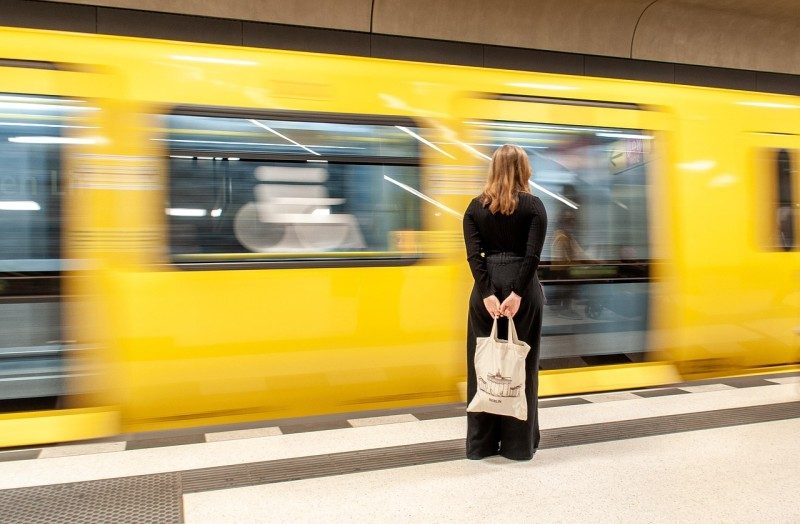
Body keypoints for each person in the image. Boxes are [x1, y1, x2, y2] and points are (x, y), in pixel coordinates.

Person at [462, 144, 547, 460]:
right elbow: (532, 256)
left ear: (493, 169)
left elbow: (474, 256)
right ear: (524, 170)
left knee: (482, 366)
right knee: (521, 367)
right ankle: (517, 445)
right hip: (522, 292)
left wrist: (487, 294)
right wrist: (517, 294)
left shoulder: (473, 208)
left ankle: (481, 445)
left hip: (484, 294)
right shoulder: (534, 206)